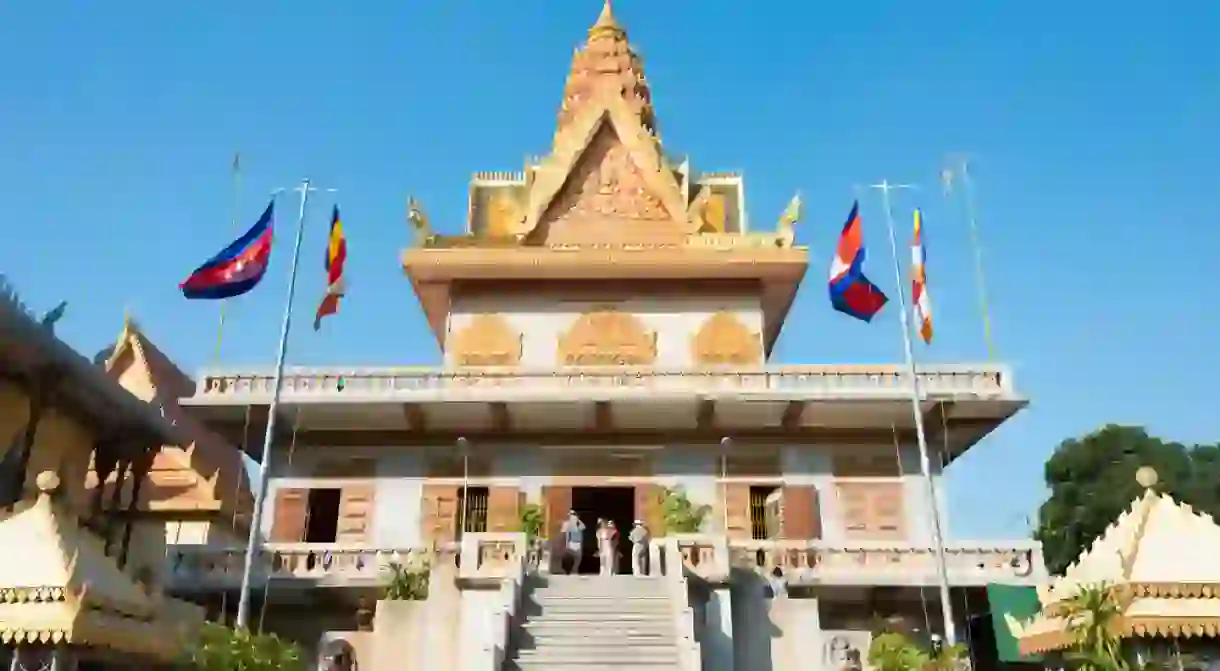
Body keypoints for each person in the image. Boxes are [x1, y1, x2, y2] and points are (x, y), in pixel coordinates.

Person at [560, 510, 585, 574]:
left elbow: (583, 528)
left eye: (574, 514)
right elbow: (564, 534)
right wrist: (565, 544)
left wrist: (577, 520)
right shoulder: (566, 523)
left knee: (578, 558)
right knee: (569, 558)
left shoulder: (578, 524)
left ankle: (574, 570)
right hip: (570, 542)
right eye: (571, 515)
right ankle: (569, 570)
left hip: (577, 543)